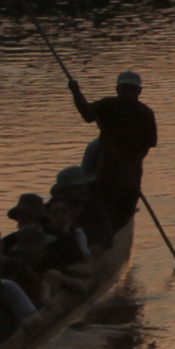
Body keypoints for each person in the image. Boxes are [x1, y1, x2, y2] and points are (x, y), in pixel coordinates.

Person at [71, 68, 158, 233]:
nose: (127, 92)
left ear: (139, 91)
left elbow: (147, 145)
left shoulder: (146, 114)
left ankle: (113, 232)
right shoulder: (107, 106)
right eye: (124, 88)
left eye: (131, 89)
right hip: (105, 169)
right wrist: (76, 92)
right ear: (117, 89)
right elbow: (87, 114)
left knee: (123, 208)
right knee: (101, 204)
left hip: (130, 173)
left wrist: (132, 163)